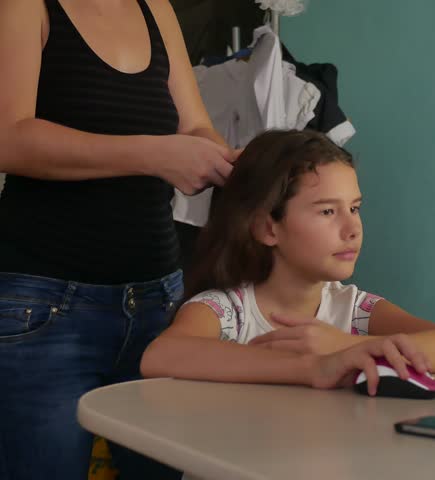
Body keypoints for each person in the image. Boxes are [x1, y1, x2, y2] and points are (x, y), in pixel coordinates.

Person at [0, 0, 238, 478]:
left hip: (159, 304)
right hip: (44, 311)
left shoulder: (156, 9)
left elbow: (193, 126)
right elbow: (9, 138)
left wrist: (235, 162)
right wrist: (153, 155)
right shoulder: (23, 5)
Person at [140, 130, 435, 390]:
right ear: (267, 228)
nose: (353, 228)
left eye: (354, 208)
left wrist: (345, 347)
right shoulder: (226, 312)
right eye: (327, 211)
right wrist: (316, 367)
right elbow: (160, 356)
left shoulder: (353, 311)